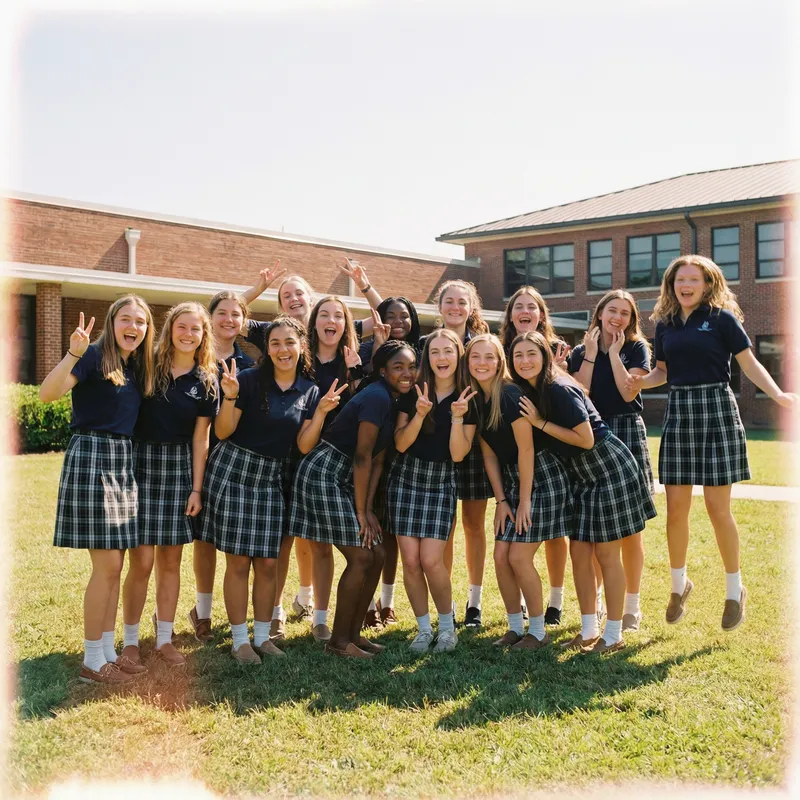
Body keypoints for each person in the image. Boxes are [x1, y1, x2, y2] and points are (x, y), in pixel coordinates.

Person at [627, 255, 797, 631]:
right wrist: (640, 382)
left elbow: (749, 363)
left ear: (707, 284)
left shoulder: (722, 319)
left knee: (718, 510)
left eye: (693, 279)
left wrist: (778, 394)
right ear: (671, 285)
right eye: (679, 279)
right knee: (676, 510)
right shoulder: (665, 323)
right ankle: (678, 586)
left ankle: (735, 591)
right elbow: (661, 372)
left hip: (717, 409)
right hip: (680, 412)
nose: (685, 285)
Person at [199, 316, 345, 663]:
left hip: (271, 478)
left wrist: (321, 413)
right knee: (238, 561)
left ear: (301, 346)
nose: (283, 350)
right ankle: (240, 641)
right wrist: (230, 397)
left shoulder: (310, 390)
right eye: (275, 343)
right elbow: (222, 432)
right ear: (266, 348)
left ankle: (263, 637)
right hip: (234, 471)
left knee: (268, 562)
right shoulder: (248, 380)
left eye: (289, 342)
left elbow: (304, 445)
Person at [515, 332, 656, 654]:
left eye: (531, 354)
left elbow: (586, 439)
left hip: (608, 469)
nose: (524, 361)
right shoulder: (532, 391)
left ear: (544, 357)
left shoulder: (559, 389)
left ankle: (614, 634)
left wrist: (539, 423)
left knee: (606, 555)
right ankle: (590, 629)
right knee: (579, 553)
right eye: (518, 355)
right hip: (582, 477)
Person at [41, 296, 155, 684]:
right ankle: (92, 661)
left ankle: (107, 652)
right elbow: (48, 394)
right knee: (106, 566)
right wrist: (73, 354)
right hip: (92, 456)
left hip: (123, 461)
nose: (133, 326)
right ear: (112, 321)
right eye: (126, 319)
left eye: (140, 321)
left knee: (115, 565)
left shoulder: (136, 367)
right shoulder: (91, 356)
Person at [289, 340, 417, 658]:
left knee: (377, 554)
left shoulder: (394, 400)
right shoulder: (376, 397)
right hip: (324, 472)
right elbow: (362, 456)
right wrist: (361, 512)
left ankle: (354, 635)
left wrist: (368, 509)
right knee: (361, 556)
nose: (407, 373)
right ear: (383, 371)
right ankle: (338, 642)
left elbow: (377, 461)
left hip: (348, 477)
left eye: (412, 366)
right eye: (398, 367)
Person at [118, 302, 218, 672]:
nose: (188, 334)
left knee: (171, 561)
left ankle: (164, 639)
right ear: (170, 328)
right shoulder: (145, 364)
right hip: (140, 464)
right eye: (182, 326)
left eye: (196, 328)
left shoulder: (206, 382)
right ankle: (130, 642)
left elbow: (201, 439)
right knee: (142, 561)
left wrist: (196, 489)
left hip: (179, 469)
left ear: (203, 335)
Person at [465, 333, 573, 649]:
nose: (482, 363)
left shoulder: (511, 395)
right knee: (501, 556)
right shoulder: (476, 399)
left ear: (500, 362)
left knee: (518, 556)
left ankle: (538, 631)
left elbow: (527, 450)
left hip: (542, 476)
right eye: (475, 357)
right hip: (513, 480)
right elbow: (489, 454)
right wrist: (501, 500)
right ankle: (515, 627)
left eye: (489, 357)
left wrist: (524, 501)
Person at [568, 289, 653, 632]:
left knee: (631, 530)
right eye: (612, 311)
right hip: (591, 434)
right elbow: (579, 395)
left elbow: (629, 391)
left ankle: (632, 605)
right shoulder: (580, 351)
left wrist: (615, 355)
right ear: (600, 313)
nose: (617, 318)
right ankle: (601, 600)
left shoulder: (636, 348)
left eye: (625, 313)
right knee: (596, 527)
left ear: (631, 320)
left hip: (627, 431)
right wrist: (590, 356)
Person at [389, 330, 476, 652]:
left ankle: (448, 628)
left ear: (458, 355)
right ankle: (424, 629)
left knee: (431, 560)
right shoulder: (414, 392)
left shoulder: (468, 397)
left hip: (440, 481)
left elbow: (458, 455)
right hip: (406, 478)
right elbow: (400, 444)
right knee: (411, 562)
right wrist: (420, 415)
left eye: (448, 351)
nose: (442, 358)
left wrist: (457, 418)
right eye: (435, 352)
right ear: (427, 357)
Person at [498, 285, 572, 625]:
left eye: (532, 306)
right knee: (515, 546)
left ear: (541, 314)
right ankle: (524, 610)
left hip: (551, 449)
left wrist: (558, 369)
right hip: (515, 455)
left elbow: (575, 394)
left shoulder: (555, 350)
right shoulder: (500, 351)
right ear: (510, 314)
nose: (525, 311)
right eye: (518, 306)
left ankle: (555, 600)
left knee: (556, 534)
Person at [421, 280, 491, 627]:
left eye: (462, 302)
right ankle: (443, 600)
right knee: (443, 528)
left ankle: (474, 602)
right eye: (449, 301)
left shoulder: (481, 344)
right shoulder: (429, 344)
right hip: (437, 446)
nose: (455, 307)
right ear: (440, 306)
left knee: (474, 524)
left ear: (471, 307)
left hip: (475, 442)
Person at [188, 290, 255, 644]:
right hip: (194, 454)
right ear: (209, 317)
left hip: (232, 461)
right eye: (222, 313)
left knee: (226, 539)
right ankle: (202, 612)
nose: (229, 320)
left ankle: (233, 615)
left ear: (244, 322)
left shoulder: (251, 365)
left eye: (236, 314)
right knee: (202, 539)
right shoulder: (192, 356)